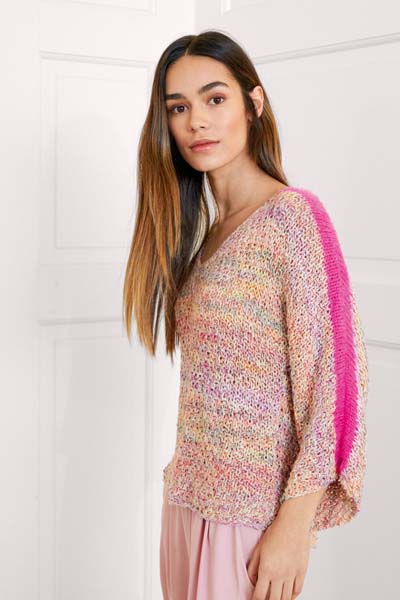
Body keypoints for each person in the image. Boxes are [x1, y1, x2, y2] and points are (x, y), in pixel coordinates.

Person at [122, 30, 369, 600]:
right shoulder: (206, 237)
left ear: (253, 103)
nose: (196, 122)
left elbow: (336, 386)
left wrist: (294, 527)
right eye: (178, 108)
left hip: (249, 520)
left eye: (215, 99)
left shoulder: (293, 219)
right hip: (187, 506)